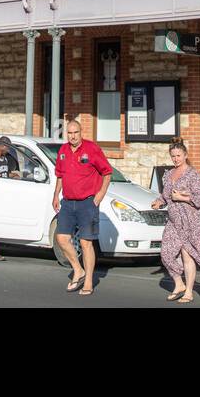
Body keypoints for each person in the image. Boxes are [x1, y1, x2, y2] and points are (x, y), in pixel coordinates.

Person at [151, 139, 200, 303]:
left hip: (190, 221)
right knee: (166, 253)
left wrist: (182, 197)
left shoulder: (193, 175)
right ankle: (179, 284)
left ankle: (189, 292)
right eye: (173, 156)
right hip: (174, 220)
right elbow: (166, 195)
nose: (176, 159)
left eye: (178, 155)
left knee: (188, 256)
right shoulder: (169, 174)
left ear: (185, 155)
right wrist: (159, 201)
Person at [52, 119, 111, 296]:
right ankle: (78, 269)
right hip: (68, 202)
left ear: (81, 132)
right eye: (69, 133)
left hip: (87, 202)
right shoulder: (63, 151)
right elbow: (60, 176)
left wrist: (99, 195)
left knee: (86, 243)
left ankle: (88, 282)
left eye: (75, 132)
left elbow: (107, 173)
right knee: (62, 239)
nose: (72, 136)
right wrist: (56, 195)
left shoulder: (92, 149)